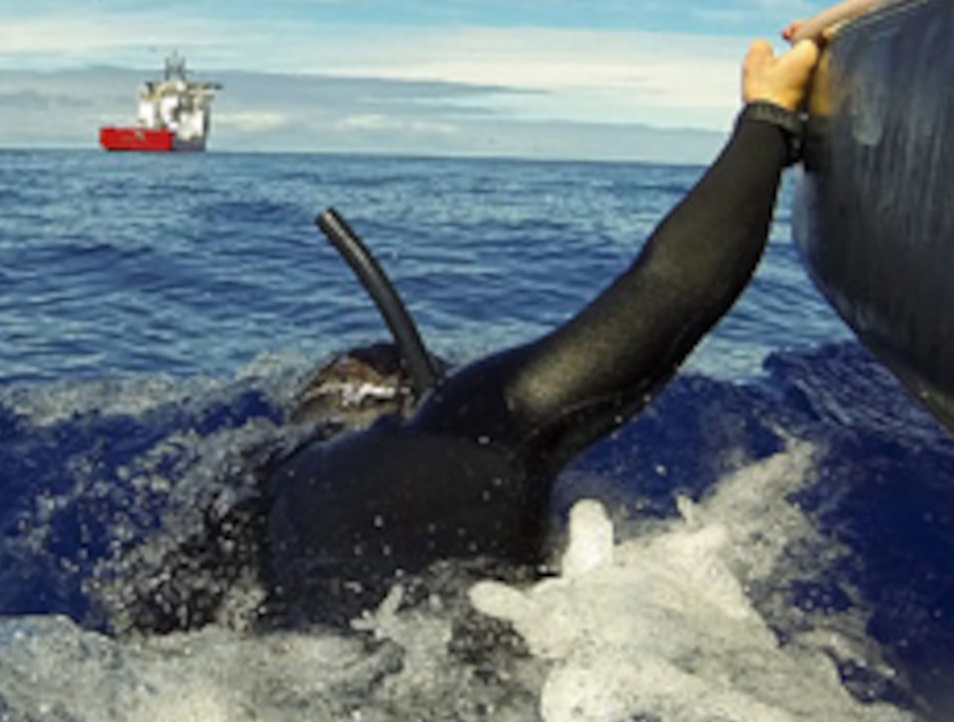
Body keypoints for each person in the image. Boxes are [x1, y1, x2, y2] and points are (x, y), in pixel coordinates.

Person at [257, 33, 822, 626]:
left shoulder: (250, 490)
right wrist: (768, 118)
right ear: (416, 400)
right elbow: (667, 292)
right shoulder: (455, 428)